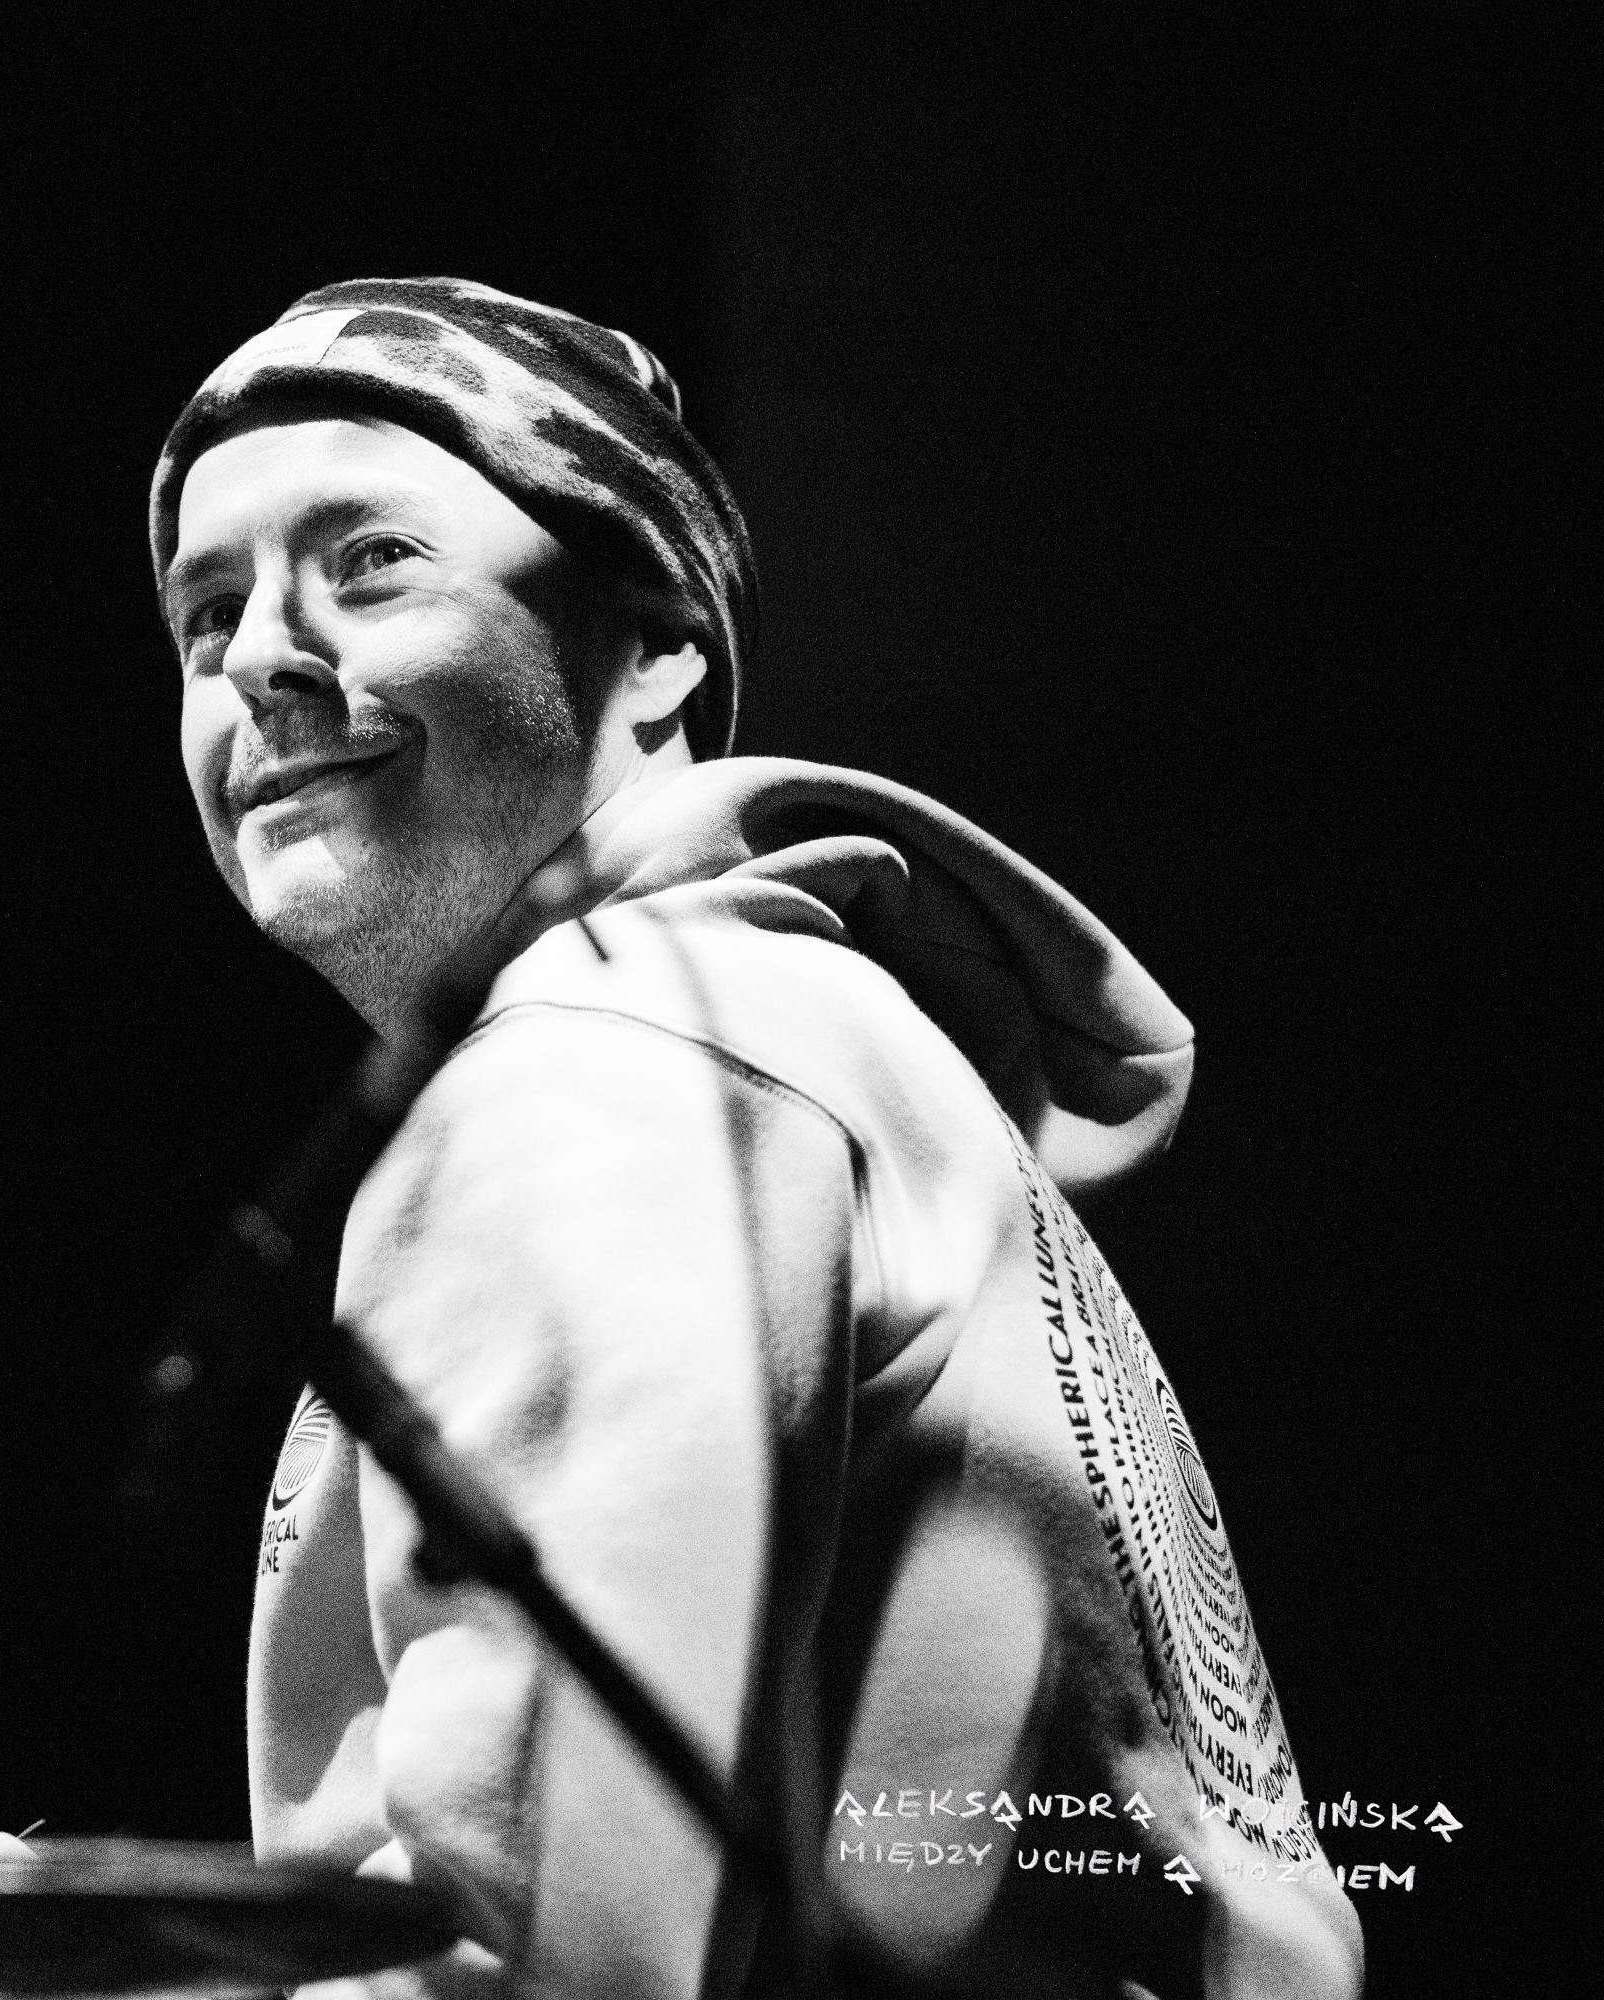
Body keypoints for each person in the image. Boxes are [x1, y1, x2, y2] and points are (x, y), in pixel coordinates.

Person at [150, 279, 1362, 1998]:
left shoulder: (614, 1068)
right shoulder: (777, 1034)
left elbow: (549, 1949)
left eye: (373, 563)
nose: (260, 661)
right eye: (208, 614)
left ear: (659, 642)